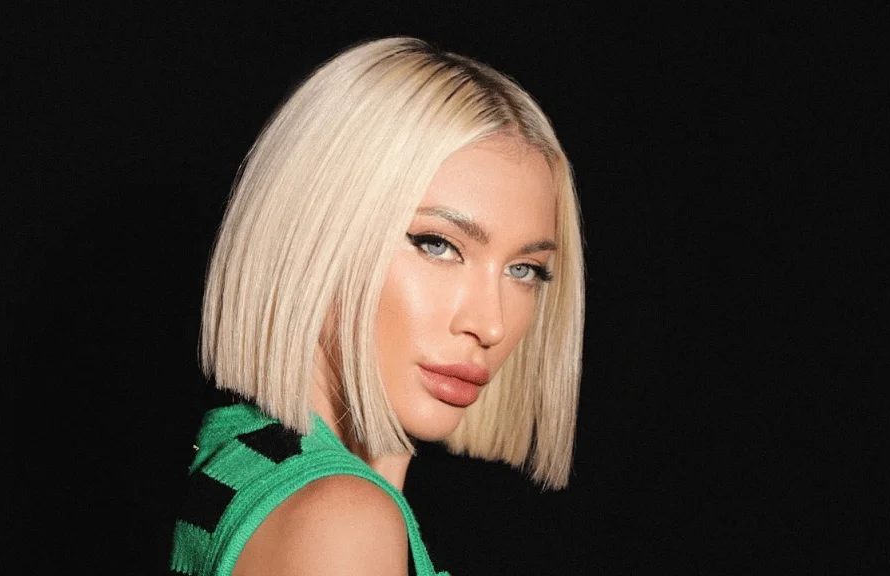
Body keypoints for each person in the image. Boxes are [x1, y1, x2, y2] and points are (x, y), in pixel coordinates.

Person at [169, 36, 585, 576]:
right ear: (316, 236)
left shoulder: (239, 462)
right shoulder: (342, 522)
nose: (491, 324)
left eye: (523, 270)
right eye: (437, 245)